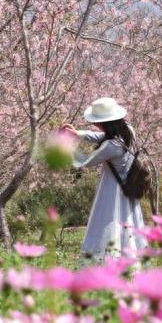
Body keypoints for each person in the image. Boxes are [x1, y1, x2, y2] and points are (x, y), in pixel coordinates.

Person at [63, 97, 147, 263]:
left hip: (112, 189)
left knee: (107, 221)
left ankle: (106, 260)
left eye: (98, 122)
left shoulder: (111, 146)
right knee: (126, 221)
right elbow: (99, 136)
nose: (95, 126)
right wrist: (77, 134)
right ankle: (128, 259)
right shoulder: (127, 130)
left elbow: (84, 162)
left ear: (106, 123)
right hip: (127, 185)